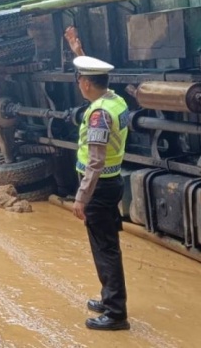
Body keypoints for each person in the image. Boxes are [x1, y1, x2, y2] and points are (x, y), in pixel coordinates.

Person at [65, 27, 130, 331]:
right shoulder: (113, 100)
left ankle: (116, 313)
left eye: (80, 79)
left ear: (87, 84)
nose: (78, 84)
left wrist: (81, 198)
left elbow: (95, 161)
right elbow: (94, 79)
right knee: (106, 245)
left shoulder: (98, 116)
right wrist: (78, 52)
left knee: (105, 249)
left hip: (99, 188)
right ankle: (109, 297)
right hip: (110, 184)